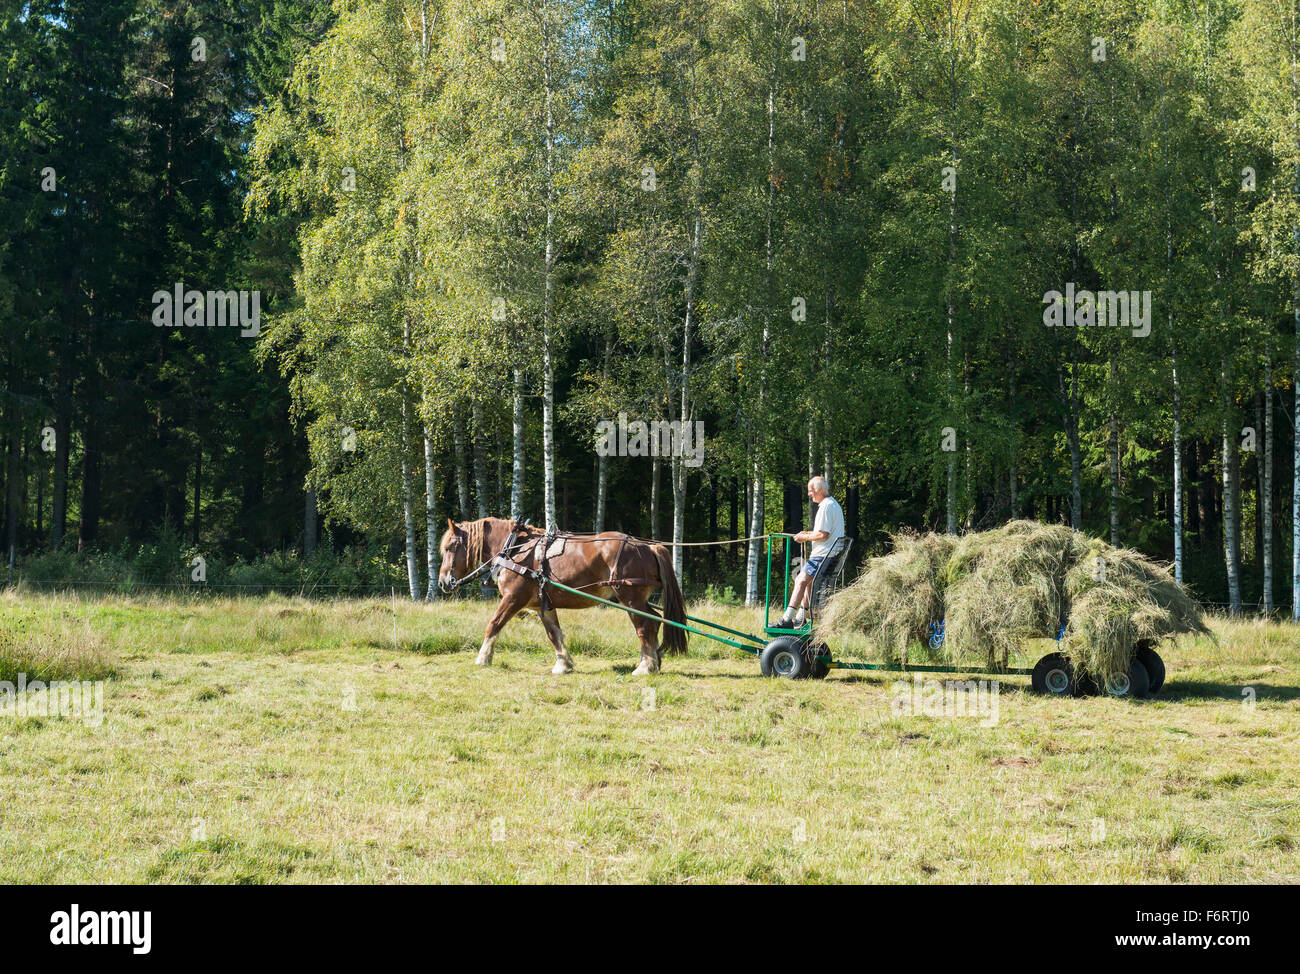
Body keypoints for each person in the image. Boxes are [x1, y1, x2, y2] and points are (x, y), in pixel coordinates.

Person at [775, 476, 844, 629]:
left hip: (823, 555)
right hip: (829, 554)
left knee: (800, 580)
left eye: (810, 490)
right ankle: (800, 618)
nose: (808, 494)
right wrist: (806, 533)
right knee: (808, 582)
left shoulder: (826, 507)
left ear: (819, 490)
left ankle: (786, 619)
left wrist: (804, 537)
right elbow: (824, 532)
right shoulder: (832, 504)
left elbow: (823, 535)